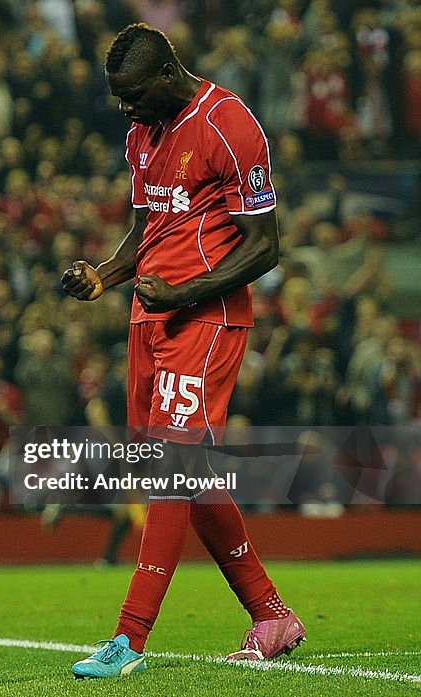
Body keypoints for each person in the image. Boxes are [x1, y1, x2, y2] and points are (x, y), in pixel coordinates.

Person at [62, 24, 304, 679]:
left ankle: (128, 638)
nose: (126, 109)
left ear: (168, 74)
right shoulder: (142, 133)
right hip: (153, 315)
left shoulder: (230, 124)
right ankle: (271, 614)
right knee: (177, 473)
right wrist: (102, 278)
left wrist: (185, 291)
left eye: (134, 94)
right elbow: (145, 230)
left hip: (207, 316)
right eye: (119, 98)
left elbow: (264, 245)